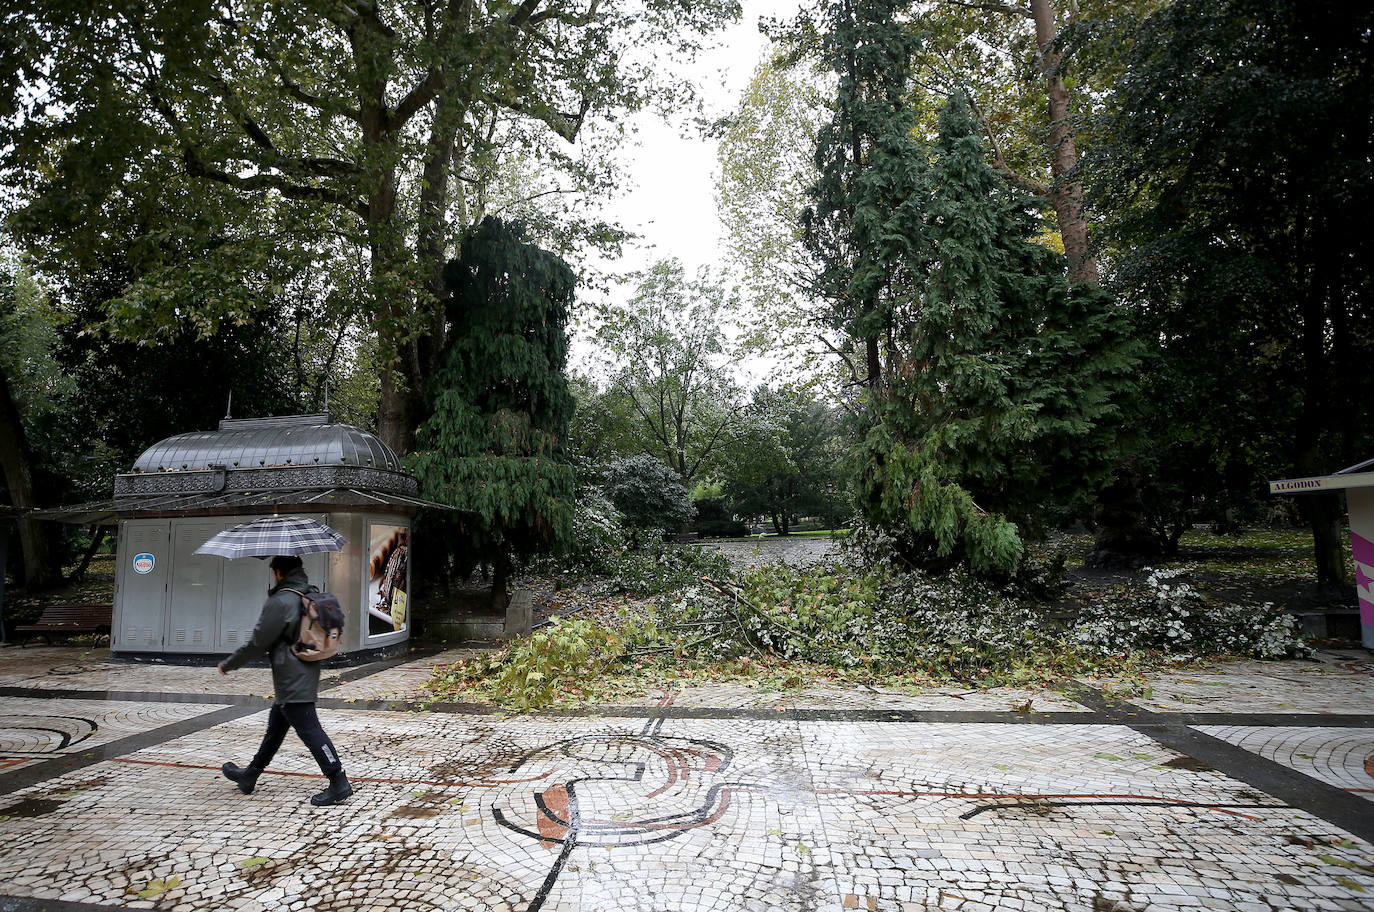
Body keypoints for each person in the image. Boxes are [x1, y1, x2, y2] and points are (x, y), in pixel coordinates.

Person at [217, 554, 353, 806]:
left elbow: (259, 642)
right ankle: (250, 775)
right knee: (276, 728)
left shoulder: (281, 600)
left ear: (278, 571)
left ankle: (338, 780)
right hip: (304, 670)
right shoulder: (308, 593)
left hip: (291, 676)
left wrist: (229, 664)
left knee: (310, 729)